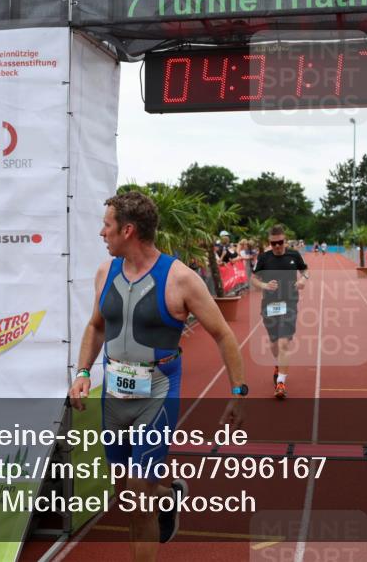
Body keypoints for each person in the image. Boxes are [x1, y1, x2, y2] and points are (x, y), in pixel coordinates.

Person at [68, 191, 247, 560]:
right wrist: (83, 370)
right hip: (114, 397)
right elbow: (95, 326)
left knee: (137, 493)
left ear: (128, 230)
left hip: (157, 392)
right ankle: (168, 495)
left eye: (107, 225)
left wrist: (238, 392)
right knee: (126, 492)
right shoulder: (105, 273)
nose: (102, 233)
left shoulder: (181, 279)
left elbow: (223, 334)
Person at [251, 225, 308, 399]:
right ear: (269, 242)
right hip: (269, 305)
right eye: (273, 243)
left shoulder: (293, 255)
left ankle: (281, 383)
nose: (277, 246)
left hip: (289, 303)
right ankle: (278, 364)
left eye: (280, 242)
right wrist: (264, 285)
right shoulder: (264, 258)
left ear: (285, 240)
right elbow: (253, 278)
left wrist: (303, 279)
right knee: (274, 343)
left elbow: (305, 269)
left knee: (284, 343)